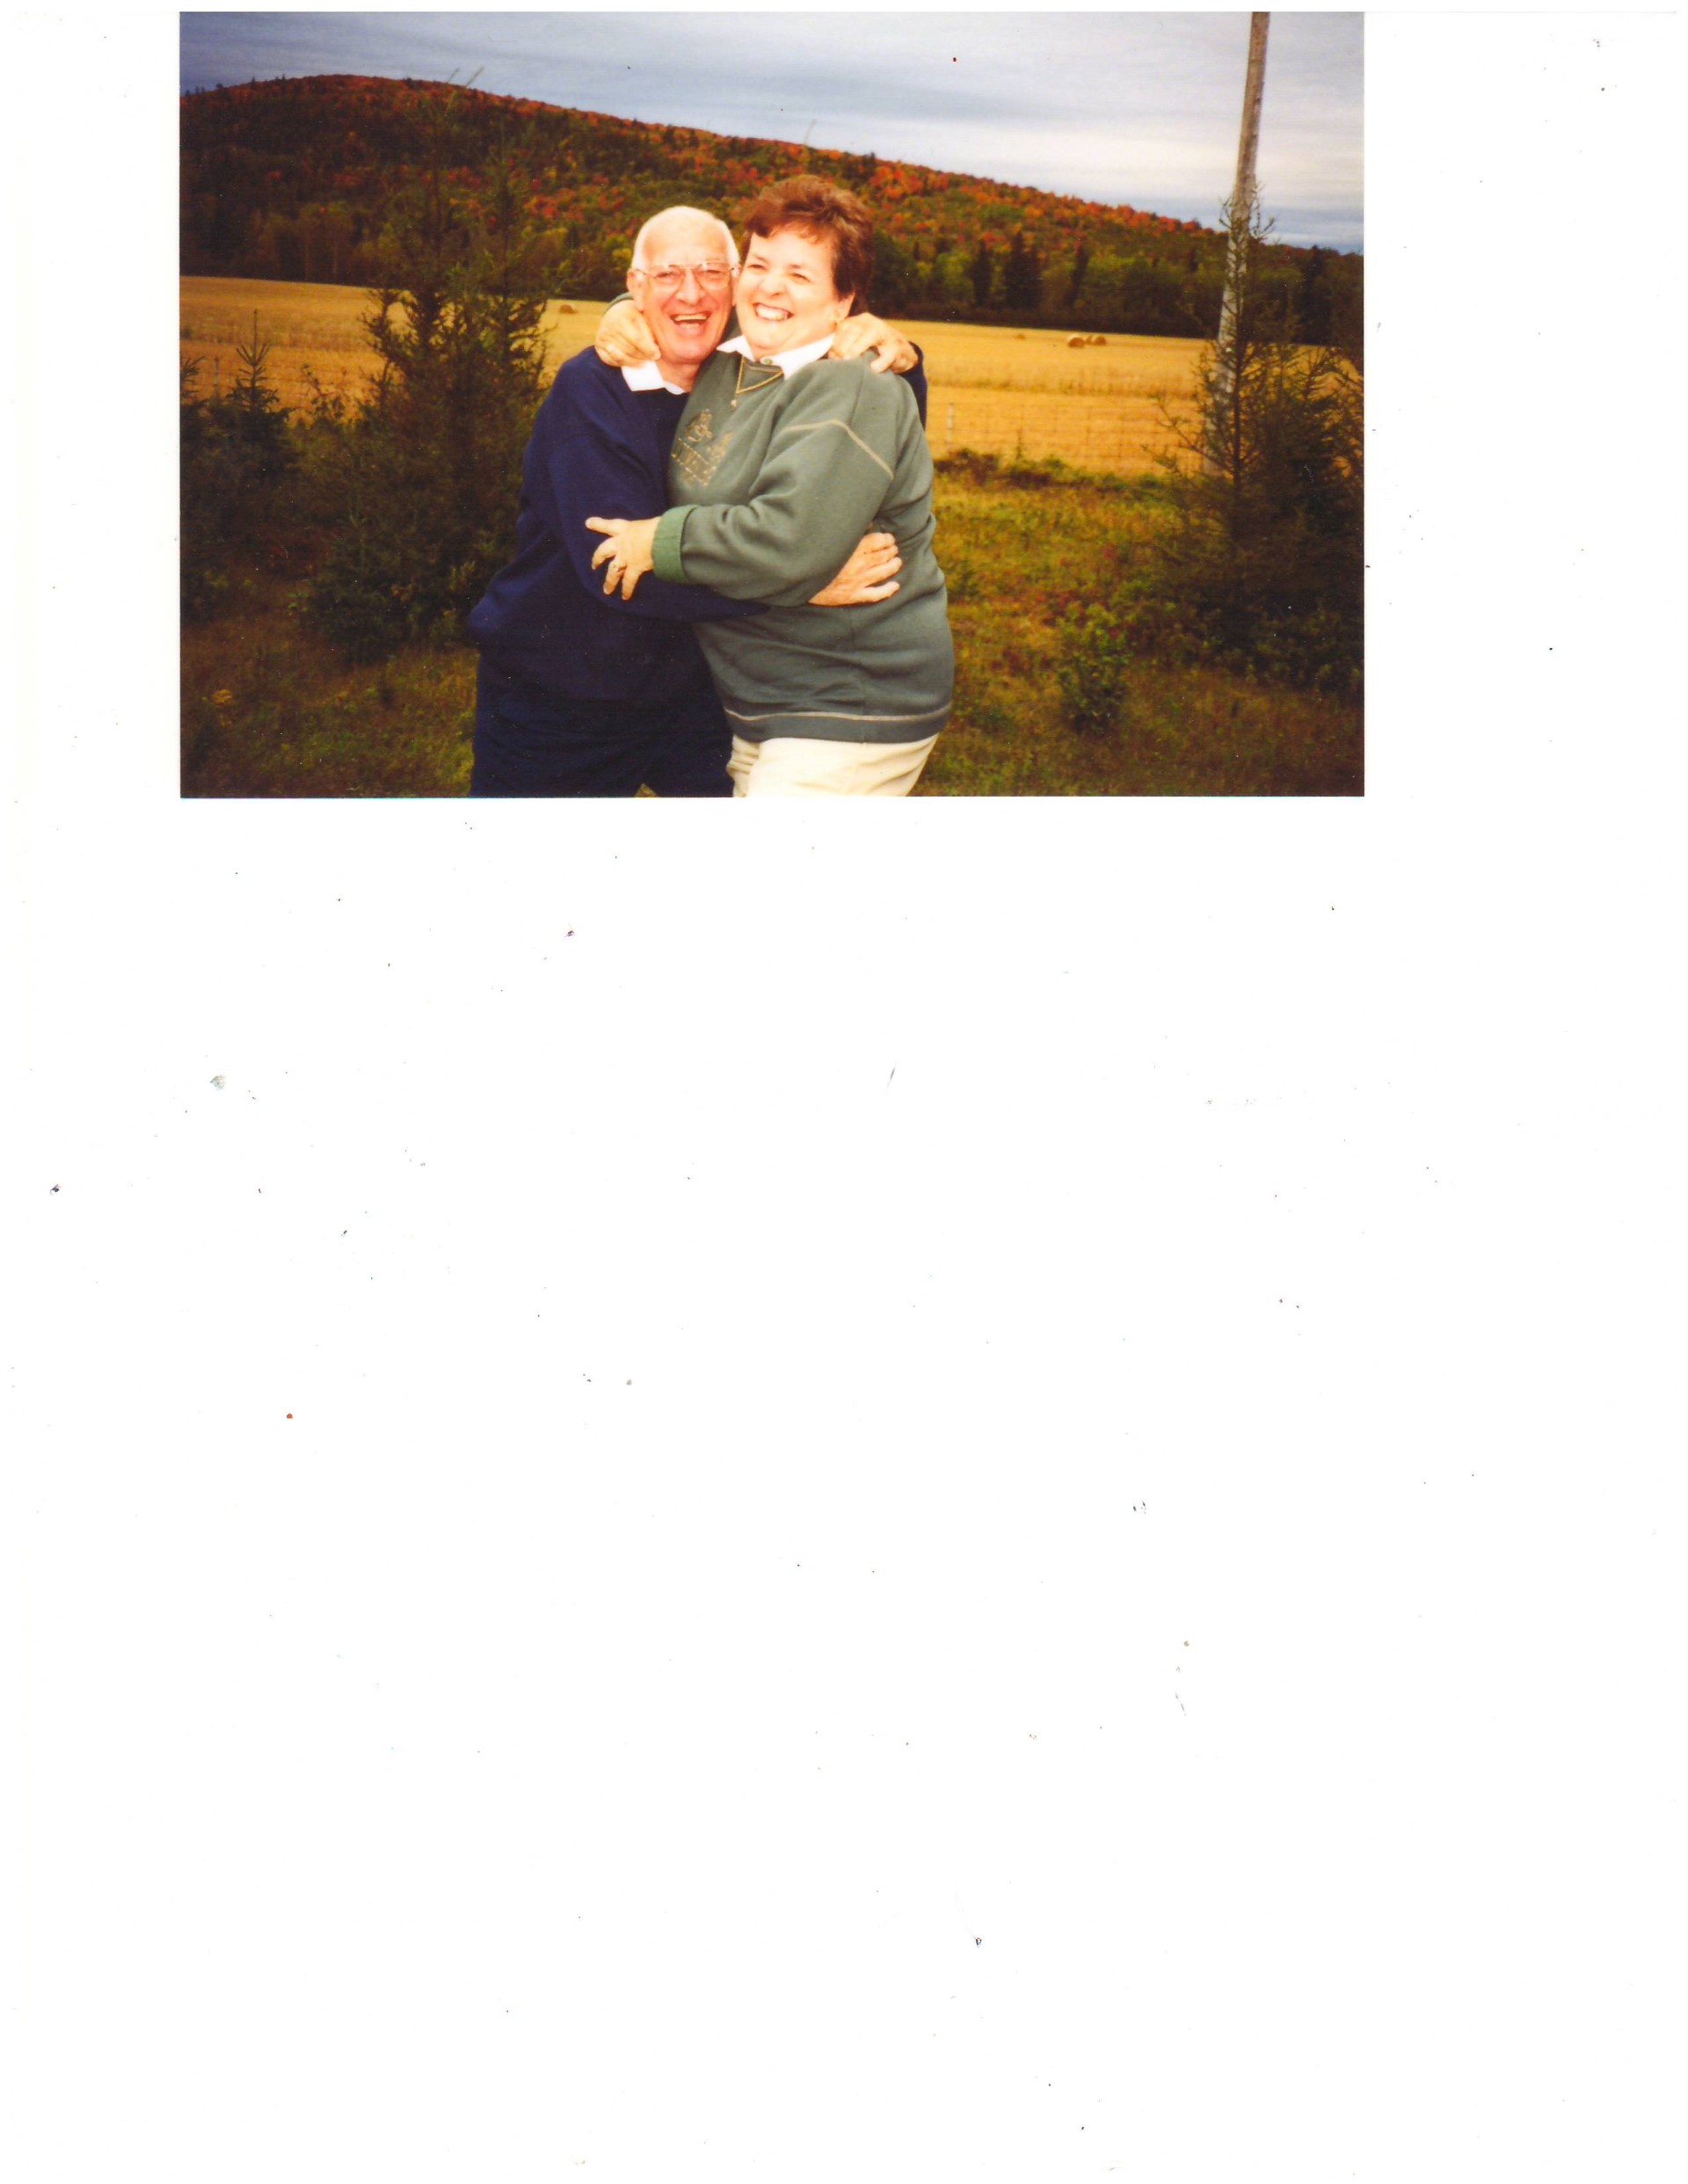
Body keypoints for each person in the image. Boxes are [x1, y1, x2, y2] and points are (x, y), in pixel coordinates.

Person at [466, 204, 922, 797]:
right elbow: (617, 564)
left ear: (733, 284)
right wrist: (800, 581)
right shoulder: (592, 393)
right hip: (566, 691)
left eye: (711, 272)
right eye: (667, 276)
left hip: (697, 694)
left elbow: (871, 404)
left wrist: (897, 350)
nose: (692, 293)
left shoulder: (741, 369)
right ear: (636, 288)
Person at [586, 176, 952, 798]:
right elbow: (680, 312)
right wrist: (626, 307)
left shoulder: (848, 384)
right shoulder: (734, 362)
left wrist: (661, 541)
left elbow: (788, 541)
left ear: (844, 302)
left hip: (849, 700)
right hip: (768, 702)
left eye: (800, 275)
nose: (771, 287)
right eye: (758, 265)